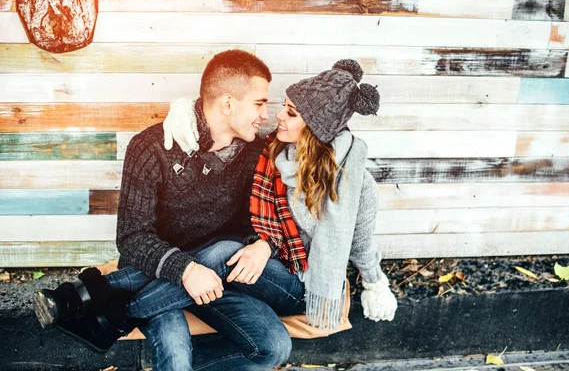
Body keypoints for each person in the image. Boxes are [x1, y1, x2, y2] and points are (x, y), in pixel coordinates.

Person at [32, 49, 301, 371]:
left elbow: (267, 217)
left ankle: (104, 308)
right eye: (259, 103)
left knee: (273, 348)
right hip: (159, 272)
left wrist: (262, 244)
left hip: (217, 274)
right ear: (228, 103)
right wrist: (186, 270)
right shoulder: (151, 147)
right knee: (174, 358)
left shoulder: (257, 151)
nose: (265, 114)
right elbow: (132, 237)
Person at [164, 59, 397, 337]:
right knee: (218, 250)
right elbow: (224, 125)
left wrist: (376, 284)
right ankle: (119, 299)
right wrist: (186, 113)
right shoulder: (277, 151)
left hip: (303, 281)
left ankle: (121, 307)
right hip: (275, 258)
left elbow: (361, 243)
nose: (278, 116)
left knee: (224, 253)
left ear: (313, 127)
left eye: (291, 113)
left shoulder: (353, 183)